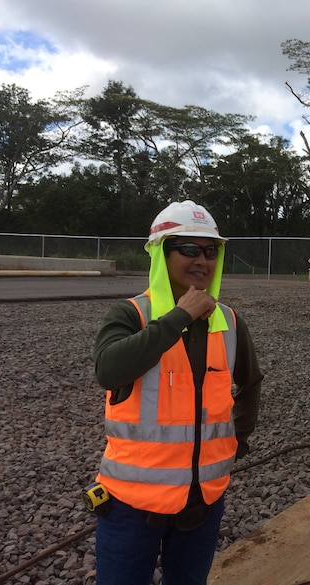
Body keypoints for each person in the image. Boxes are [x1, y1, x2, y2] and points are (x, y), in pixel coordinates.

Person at [92, 200, 264, 585]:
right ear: (161, 252)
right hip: (130, 507)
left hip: (202, 504)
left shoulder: (230, 323)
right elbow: (109, 370)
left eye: (210, 250)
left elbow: (251, 383)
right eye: (189, 249)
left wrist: (236, 443)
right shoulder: (129, 315)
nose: (202, 260)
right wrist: (179, 316)